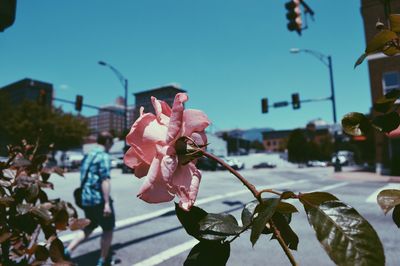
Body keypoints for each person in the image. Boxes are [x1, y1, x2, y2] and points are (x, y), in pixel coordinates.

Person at [65, 131, 116, 266]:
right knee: (108, 229)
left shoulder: (89, 155)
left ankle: (68, 251)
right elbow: (104, 180)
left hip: (86, 199)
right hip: (98, 199)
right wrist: (106, 203)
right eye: (111, 142)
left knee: (90, 225)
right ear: (107, 142)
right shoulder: (103, 156)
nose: (112, 145)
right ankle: (103, 260)